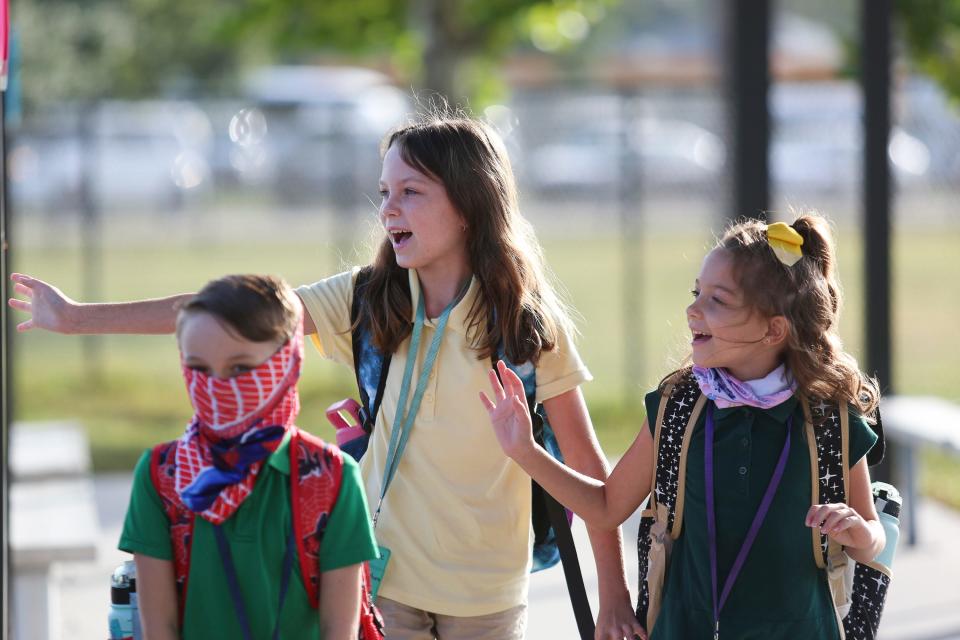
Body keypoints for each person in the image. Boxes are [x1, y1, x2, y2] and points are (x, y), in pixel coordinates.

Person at [8, 114, 638, 639]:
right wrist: (76, 317)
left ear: (470, 205)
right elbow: (229, 312)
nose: (388, 208)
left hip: (490, 595)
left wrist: (612, 597)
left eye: (411, 192)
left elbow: (590, 472)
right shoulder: (369, 297)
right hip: (385, 579)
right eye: (385, 191)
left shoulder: (527, 325)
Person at [482, 214, 885, 639]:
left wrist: (857, 532)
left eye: (718, 300)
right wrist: (525, 451)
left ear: (773, 329)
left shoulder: (828, 418)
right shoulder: (677, 406)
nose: (693, 310)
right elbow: (605, 507)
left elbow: (871, 538)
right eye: (697, 293)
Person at [116, 274, 379, 639]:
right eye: (199, 368)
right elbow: (159, 627)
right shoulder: (163, 475)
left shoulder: (331, 477)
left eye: (240, 368)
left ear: (287, 363)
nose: (217, 386)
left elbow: (341, 630)